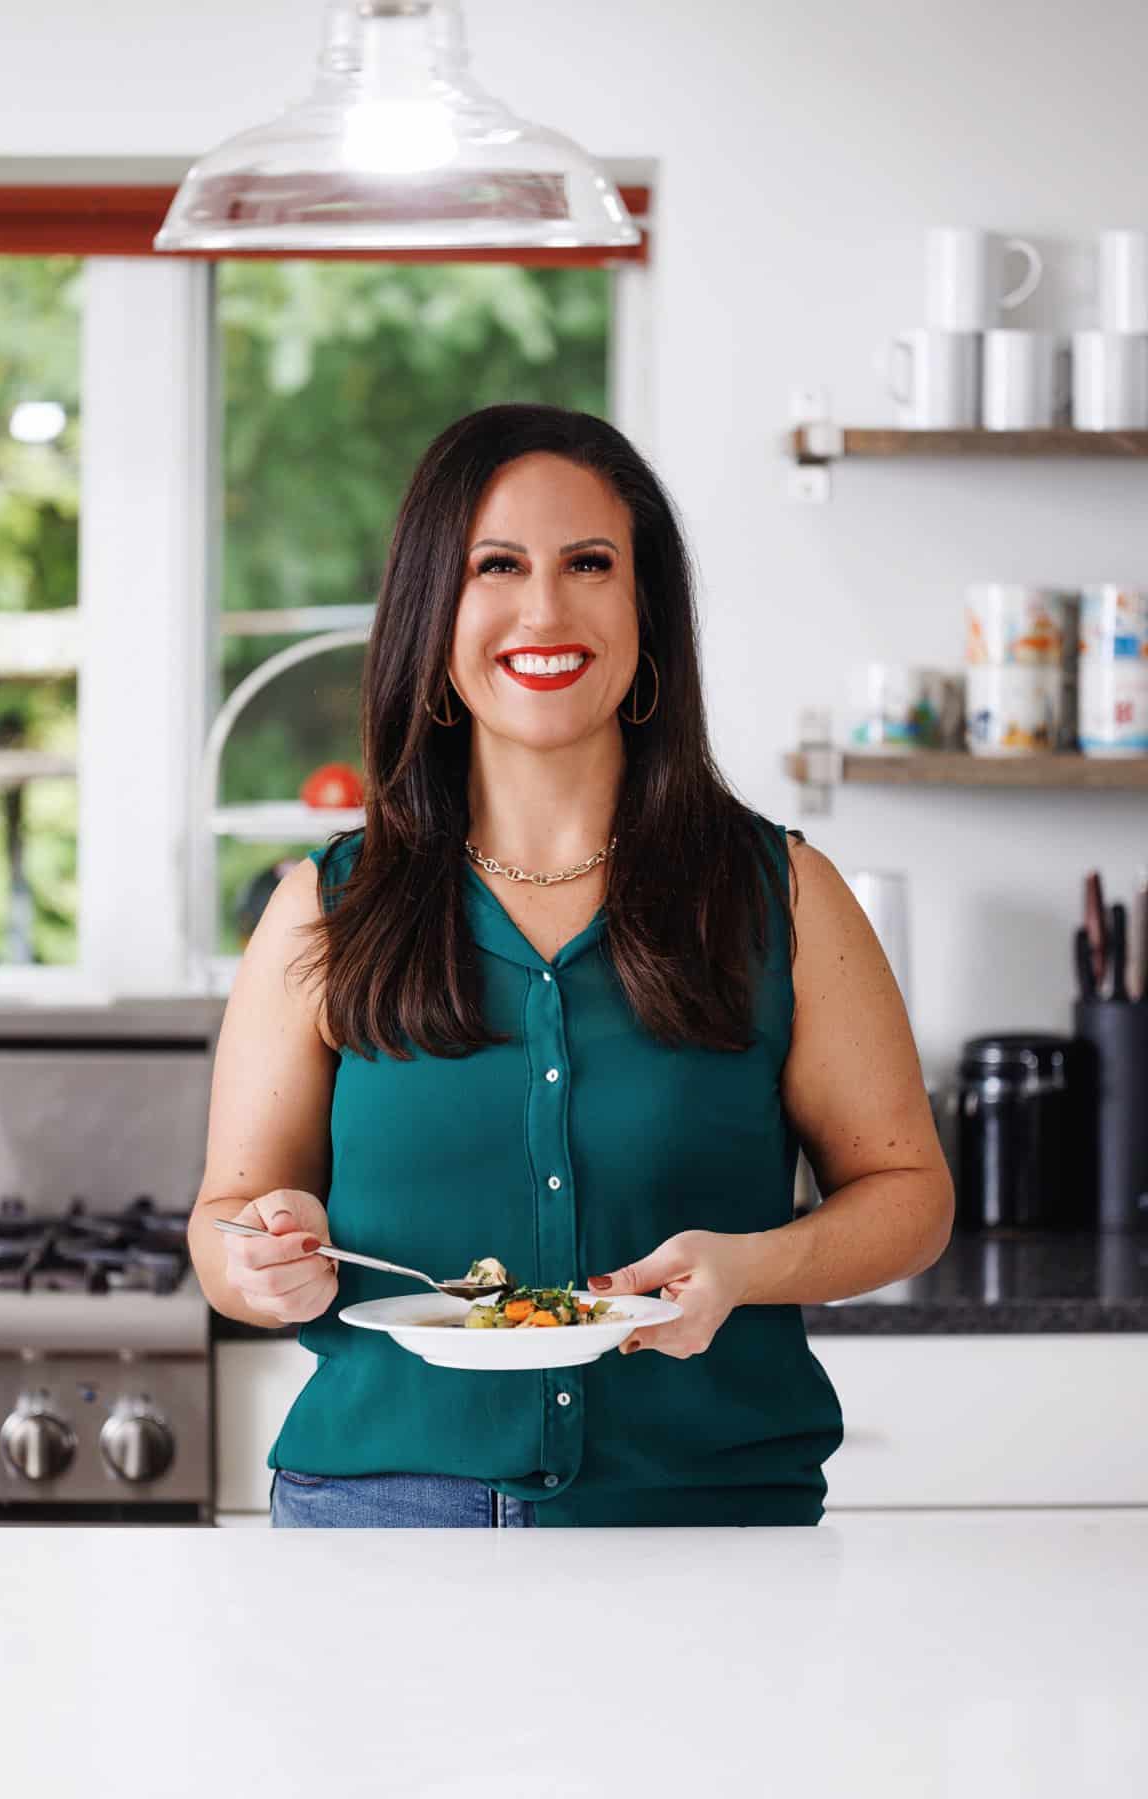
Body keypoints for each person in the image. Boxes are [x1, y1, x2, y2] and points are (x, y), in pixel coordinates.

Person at [188, 403, 954, 1528]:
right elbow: (224, 1220)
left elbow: (909, 1195)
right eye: (496, 565)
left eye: (589, 564)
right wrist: (261, 1258)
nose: (545, 609)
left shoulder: (784, 894)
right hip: (382, 1527)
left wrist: (750, 1267)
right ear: (433, 614)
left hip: (705, 1525)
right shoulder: (323, 910)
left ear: (646, 610)